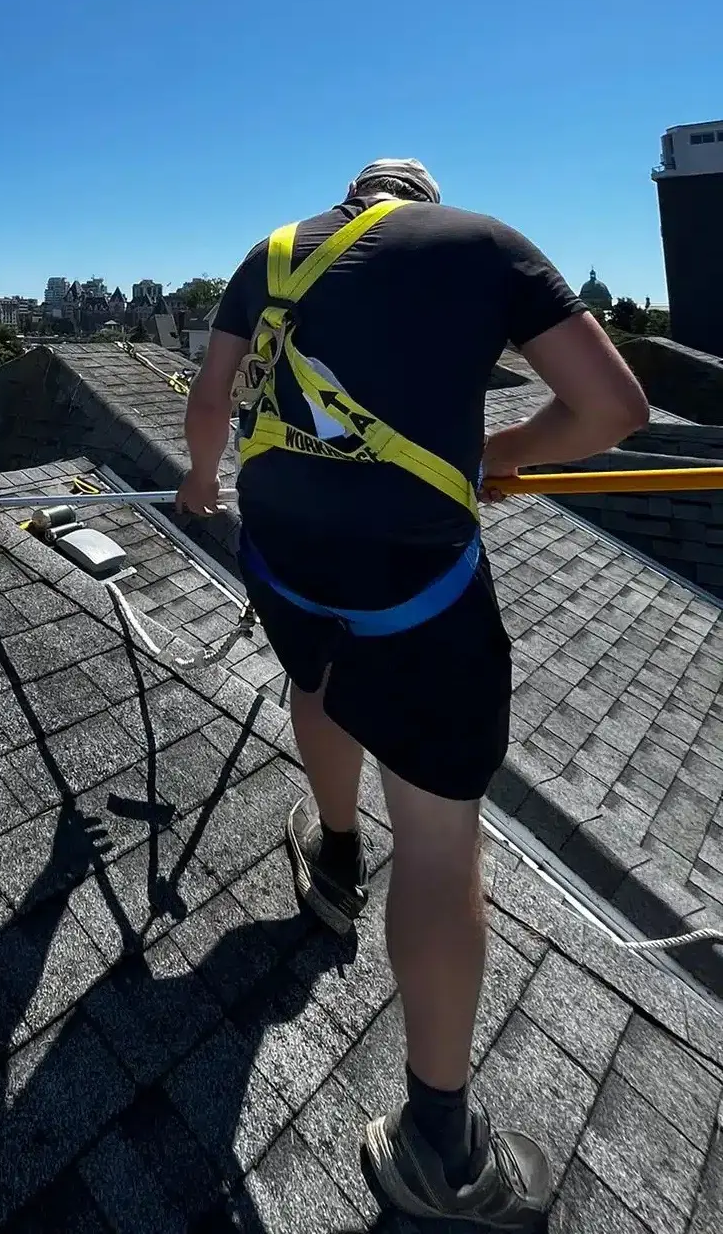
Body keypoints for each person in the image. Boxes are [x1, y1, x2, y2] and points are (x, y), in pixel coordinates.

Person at [176, 158, 649, 1227]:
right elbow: (612, 406)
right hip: (410, 578)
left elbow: (212, 402)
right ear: (421, 199)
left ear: (351, 197)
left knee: (316, 674)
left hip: (281, 545)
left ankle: (333, 857)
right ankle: (436, 1146)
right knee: (437, 843)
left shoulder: (273, 251)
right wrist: (495, 456)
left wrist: (200, 481)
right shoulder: (481, 243)